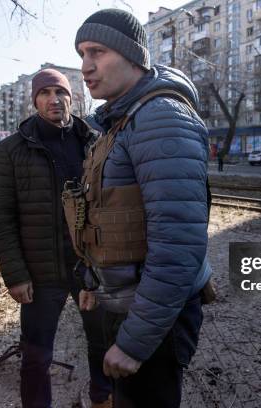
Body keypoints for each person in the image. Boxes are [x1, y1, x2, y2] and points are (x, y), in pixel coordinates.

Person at [74, 9, 210, 407]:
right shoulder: (124, 119)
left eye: (96, 51)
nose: (86, 66)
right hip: (131, 305)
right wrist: (92, 280)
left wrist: (134, 343)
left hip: (153, 321)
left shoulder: (160, 117)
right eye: (82, 53)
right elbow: (105, 212)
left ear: (133, 56)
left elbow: (178, 247)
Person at [0, 68, 112, 408]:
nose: (54, 99)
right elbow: (1, 218)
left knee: (103, 343)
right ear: (35, 101)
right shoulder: (11, 150)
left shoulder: (94, 143)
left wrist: (105, 266)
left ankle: (103, 400)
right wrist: (15, 275)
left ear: (72, 97)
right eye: (45, 93)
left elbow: (107, 205)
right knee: (36, 356)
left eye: (61, 92)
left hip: (89, 269)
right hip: (39, 275)